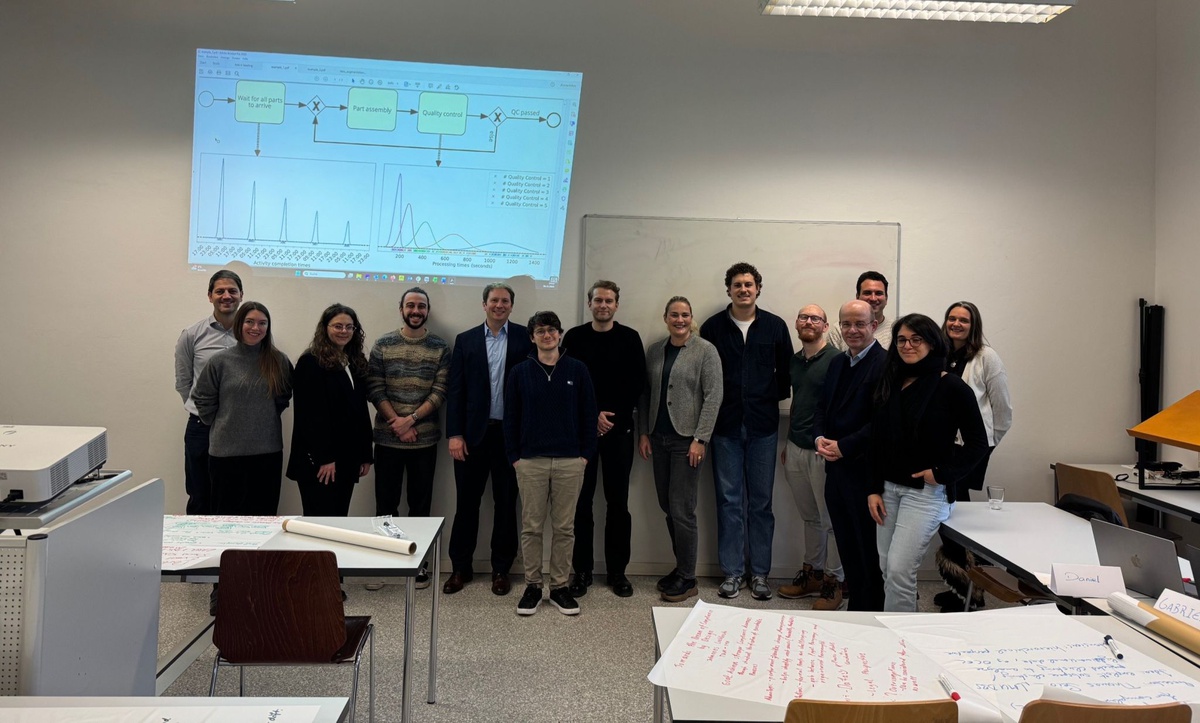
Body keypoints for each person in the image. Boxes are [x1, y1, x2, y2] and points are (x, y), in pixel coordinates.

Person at [866, 313, 988, 613]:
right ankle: (903, 621)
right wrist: (873, 488)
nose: (907, 346)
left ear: (932, 343)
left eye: (916, 339)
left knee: (899, 570)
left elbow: (978, 444)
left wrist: (942, 473)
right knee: (887, 567)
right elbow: (877, 440)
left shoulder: (952, 387)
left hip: (925, 494)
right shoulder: (890, 381)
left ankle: (900, 634)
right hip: (888, 489)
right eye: (901, 340)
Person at [699, 262, 793, 600]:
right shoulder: (712, 328)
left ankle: (760, 574)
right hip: (724, 426)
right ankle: (733, 572)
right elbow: (705, 376)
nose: (743, 289)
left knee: (761, 503)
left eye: (749, 284)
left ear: (758, 289)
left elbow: (786, 374)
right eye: (737, 284)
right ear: (729, 290)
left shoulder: (775, 326)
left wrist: (766, 399)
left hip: (763, 426)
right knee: (729, 501)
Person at [504, 311, 598, 616]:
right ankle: (533, 586)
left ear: (560, 334)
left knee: (565, 528)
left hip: (570, 462)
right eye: (541, 331)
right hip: (530, 462)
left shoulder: (577, 369)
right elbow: (511, 418)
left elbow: (589, 414)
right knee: (531, 528)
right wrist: (515, 457)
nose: (547, 335)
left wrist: (584, 455)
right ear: (532, 337)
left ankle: (559, 587)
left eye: (552, 330)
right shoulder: (519, 372)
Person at [444, 282, 533, 596]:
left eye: (505, 301)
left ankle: (501, 569)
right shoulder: (465, 340)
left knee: (506, 505)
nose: (499, 305)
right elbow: (456, 390)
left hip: (510, 438)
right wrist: (455, 433)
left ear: (511, 305)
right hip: (472, 438)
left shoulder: (525, 337)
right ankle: (460, 568)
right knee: (466, 504)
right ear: (484, 304)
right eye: (494, 300)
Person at [562, 280, 645, 598]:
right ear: (590, 303)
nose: (603, 305)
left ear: (616, 305)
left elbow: (637, 383)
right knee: (581, 504)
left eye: (609, 300)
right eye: (598, 300)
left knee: (618, 504)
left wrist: (610, 418)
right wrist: (592, 415)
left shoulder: (630, 338)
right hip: (582, 435)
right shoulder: (574, 337)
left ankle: (617, 572)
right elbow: (567, 382)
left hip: (619, 432)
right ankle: (581, 571)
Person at [365, 288, 451, 590]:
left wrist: (411, 420)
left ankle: (418, 564)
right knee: (385, 505)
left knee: (420, 505)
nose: (416, 310)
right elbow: (375, 387)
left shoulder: (440, 347)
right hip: (387, 440)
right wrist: (397, 423)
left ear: (428, 310)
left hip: (424, 441)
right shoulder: (383, 344)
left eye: (421, 306)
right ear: (400, 308)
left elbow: (440, 391)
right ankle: (383, 563)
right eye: (411, 305)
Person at [639, 296, 723, 603]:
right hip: (658, 438)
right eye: (674, 315)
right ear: (665, 318)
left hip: (687, 441)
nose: (679, 320)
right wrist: (644, 432)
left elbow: (714, 396)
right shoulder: (655, 350)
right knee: (667, 505)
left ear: (691, 318)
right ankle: (680, 568)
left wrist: (701, 439)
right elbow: (646, 393)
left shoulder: (706, 350)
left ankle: (688, 578)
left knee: (682, 509)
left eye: (685, 315)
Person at [934, 301, 1015, 611]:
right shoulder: (939, 354)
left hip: (969, 447)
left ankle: (971, 593)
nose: (956, 324)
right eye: (952, 318)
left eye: (963, 320)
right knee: (951, 513)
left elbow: (1002, 407)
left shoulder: (986, 357)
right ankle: (961, 588)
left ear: (973, 325)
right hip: (943, 445)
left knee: (957, 513)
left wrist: (987, 443)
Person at [813, 300, 887, 612]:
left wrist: (845, 446)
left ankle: (871, 610)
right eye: (846, 324)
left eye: (860, 324)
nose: (852, 330)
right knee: (846, 544)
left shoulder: (886, 364)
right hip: (835, 471)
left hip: (865, 473)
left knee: (867, 549)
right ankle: (857, 605)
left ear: (874, 325)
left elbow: (883, 422)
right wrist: (818, 438)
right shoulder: (837, 363)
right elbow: (822, 407)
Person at [192, 301, 293, 516]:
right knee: (226, 518)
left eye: (262, 323)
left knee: (264, 518)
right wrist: (222, 422)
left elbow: (284, 396)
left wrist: (261, 416)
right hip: (226, 454)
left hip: (267, 452)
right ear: (239, 324)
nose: (256, 328)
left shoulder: (279, 361)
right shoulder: (220, 361)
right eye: (250, 322)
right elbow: (202, 397)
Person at [777, 304, 846, 610]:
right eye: (803, 317)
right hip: (795, 447)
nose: (808, 321)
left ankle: (834, 582)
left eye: (815, 318)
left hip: (823, 451)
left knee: (830, 521)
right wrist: (788, 442)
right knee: (810, 518)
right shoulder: (794, 361)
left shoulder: (837, 360)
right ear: (796, 323)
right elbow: (797, 402)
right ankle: (813, 575)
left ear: (825, 326)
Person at [286, 304, 373, 518]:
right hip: (320, 462)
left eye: (349, 327)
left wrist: (365, 454)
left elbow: (360, 411)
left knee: (339, 520)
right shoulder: (310, 362)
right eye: (338, 326)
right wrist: (324, 458)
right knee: (320, 523)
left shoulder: (353, 361)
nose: (344, 331)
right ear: (325, 328)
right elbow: (310, 416)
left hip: (346, 459)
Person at [174, 270, 243, 514]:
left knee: (234, 494)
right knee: (200, 493)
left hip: (239, 427)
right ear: (210, 296)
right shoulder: (191, 335)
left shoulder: (253, 333)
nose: (226, 296)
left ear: (241, 295)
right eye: (220, 291)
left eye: (232, 291)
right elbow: (184, 382)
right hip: (201, 426)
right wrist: (203, 411)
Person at [827, 271, 892, 351]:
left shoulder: (896, 330)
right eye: (867, 293)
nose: (873, 298)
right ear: (857, 297)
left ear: (886, 298)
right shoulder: (838, 331)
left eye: (878, 293)